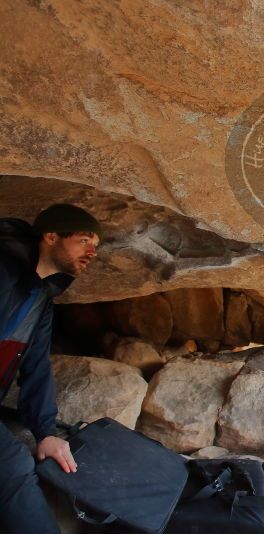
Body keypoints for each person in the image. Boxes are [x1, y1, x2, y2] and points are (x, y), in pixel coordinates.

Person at [0, 203, 102, 534]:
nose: (92, 252)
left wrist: (45, 432)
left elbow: (36, 366)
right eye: (84, 240)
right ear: (50, 236)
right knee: (11, 464)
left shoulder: (42, 299)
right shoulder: (3, 271)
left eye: (96, 246)